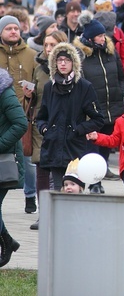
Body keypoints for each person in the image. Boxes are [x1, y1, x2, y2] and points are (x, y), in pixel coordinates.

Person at [36, 42, 105, 191]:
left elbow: (98, 118)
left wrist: (78, 130)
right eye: (59, 60)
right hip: (54, 146)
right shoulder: (50, 86)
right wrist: (44, 129)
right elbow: (41, 116)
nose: (62, 64)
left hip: (74, 148)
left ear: (74, 63)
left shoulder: (84, 87)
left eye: (66, 60)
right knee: (57, 190)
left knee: (74, 190)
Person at [74, 12, 124, 193]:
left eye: (103, 35)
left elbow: (121, 76)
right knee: (92, 146)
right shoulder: (81, 56)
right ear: (90, 37)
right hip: (93, 110)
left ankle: (100, 175)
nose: (103, 38)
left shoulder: (110, 53)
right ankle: (94, 182)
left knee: (106, 144)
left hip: (112, 106)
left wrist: (120, 92)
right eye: (99, 35)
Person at [25, 30, 66, 231]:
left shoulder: (69, 68)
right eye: (46, 45)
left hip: (64, 128)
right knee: (42, 170)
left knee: (64, 173)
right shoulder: (39, 68)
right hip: (41, 126)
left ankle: (62, 213)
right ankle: (44, 214)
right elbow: (35, 99)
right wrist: (28, 95)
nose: (48, 49)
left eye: (53, 45)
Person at [0, 15, 37, 214]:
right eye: (8, 28)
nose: (13, 31)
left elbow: (38, 81)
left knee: (28, 160)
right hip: (2, 117)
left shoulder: (31, 55)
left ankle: (30, 196)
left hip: (24, 114)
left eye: (16, 28)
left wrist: (33, 93)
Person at [0, 65, 28, 267]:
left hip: (4, 160)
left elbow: (20, 123)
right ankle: (8, 242)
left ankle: (7, 243)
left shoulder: (4, 90)